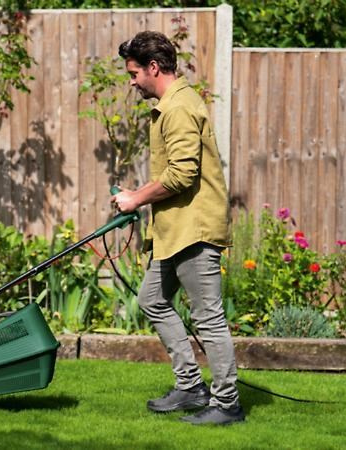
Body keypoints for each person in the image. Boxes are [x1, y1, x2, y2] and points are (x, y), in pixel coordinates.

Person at [110, 31, 244, 425]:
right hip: (174, 230)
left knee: (208, 318)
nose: (132, 82)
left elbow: (183, 173)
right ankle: (190, 386)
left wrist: (136, 199)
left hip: (193, 230)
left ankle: (227, 403)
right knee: (152, 299)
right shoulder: (171, 105)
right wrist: (137, 195)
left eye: (134, 73)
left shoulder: (179, 108)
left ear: (153, 67)